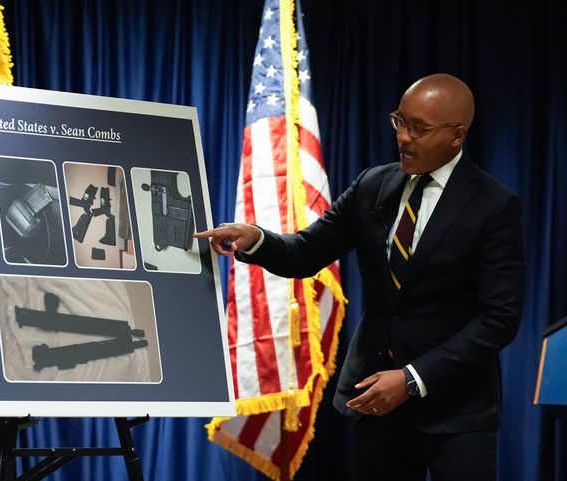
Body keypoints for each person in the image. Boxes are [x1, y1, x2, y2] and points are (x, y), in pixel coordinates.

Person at [194, 73, 525, 481]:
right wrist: (256, 239)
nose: (403, 137)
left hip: (456, 411)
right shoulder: (373, 184)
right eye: (399, 121)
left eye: (419, 129)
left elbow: (499, 319)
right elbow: (304, 253)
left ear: (457, 136)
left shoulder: (494, 206)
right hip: (373, 402)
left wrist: (411, 379)